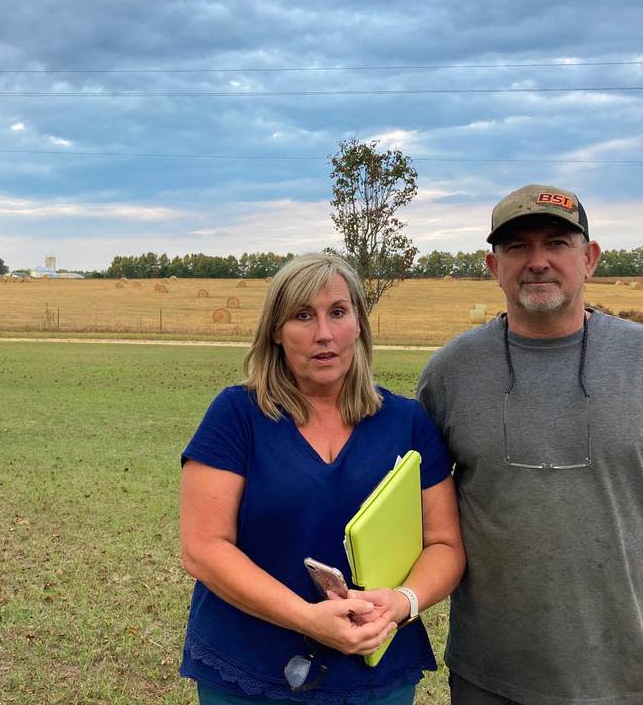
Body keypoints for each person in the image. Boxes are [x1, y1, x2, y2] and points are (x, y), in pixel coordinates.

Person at [416, 183, 643, 705]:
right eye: (517, 247)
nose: (537, 261)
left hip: (641, 681)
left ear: (589, 259)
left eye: (557, 243)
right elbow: (420, 514)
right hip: (490, 681)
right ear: (492, 267)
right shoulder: (450, 373)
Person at [179, 252, 465, 704]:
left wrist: (403, 602)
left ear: (358, 325)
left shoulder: (406, 422)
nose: (323, 334)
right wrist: (307, 618)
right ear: (276, 331)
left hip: (375, 674)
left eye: (337, 312)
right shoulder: (236, 416)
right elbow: (203, 548)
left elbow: (445, 544)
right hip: (250, 669)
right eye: (302, 316)